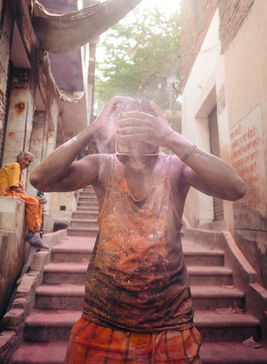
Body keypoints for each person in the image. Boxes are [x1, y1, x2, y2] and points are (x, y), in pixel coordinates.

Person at [30, 97, 246, 363]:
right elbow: (40, 179)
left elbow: (235, 188)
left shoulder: (176, 167)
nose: (135, 151)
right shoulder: (102, 165)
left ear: (155, 134)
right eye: (126, 133)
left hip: (171, 323)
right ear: (116, 135)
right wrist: (93, 129)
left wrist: (170, 135)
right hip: (102, 319)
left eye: (143, 134)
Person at [0, 151, 49, 250]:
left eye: (29, 161)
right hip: (6, 193)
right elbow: (14, 187)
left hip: (13, 193)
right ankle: (31, 234)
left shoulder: (22, 172)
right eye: (25, 159)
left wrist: (35, 198)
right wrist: (34, 197)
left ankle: (36, 233)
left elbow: (21, 190)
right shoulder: (15, 165)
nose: (27, 162)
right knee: (34, 201)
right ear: (19, 158)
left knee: (38, 203)